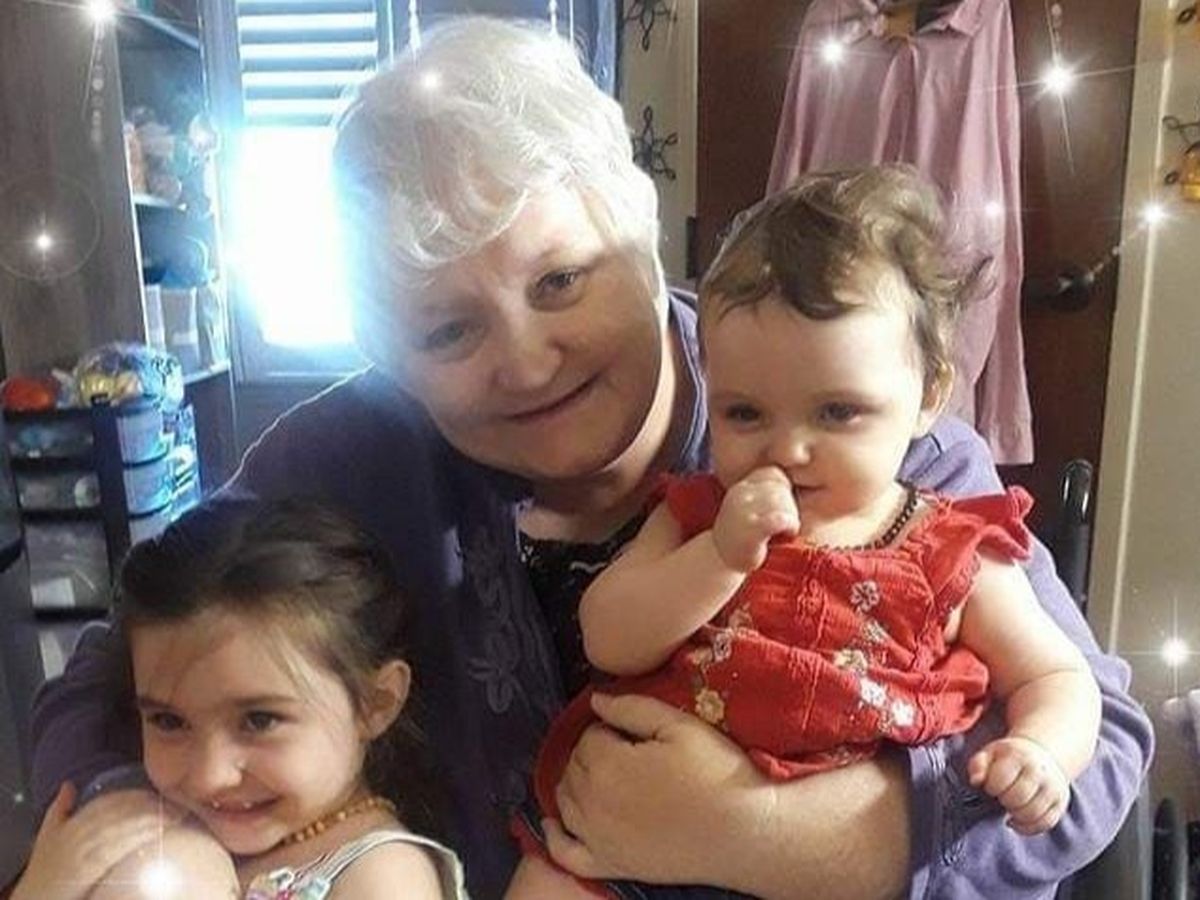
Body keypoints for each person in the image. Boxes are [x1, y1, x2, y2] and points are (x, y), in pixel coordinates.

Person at [24, 15, 1152, 900]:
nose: (525, 361)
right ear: (387, 352)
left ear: (638, 233)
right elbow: (107, 679)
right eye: (446, 331)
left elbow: (1103, 747)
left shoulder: (865, 442)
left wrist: (765, 836)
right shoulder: (345, 456)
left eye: (561, 280)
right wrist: (162, 843)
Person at [511, 167, 1102, 898]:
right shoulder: (700, 515)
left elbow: (1056, 676)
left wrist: (1042, 751)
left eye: (837, 412)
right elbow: (609, 635)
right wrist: (720, 557)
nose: (788, 448)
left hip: (823, 858)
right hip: (631, 841)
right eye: (745, 414)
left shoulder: (958, 551)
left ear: (929, 395)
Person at [12, 499, 467, 900]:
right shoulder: (149, 824)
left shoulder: (385, 880)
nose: (210, 776)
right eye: (168, 721)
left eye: (260, 720)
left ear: (375, 703)